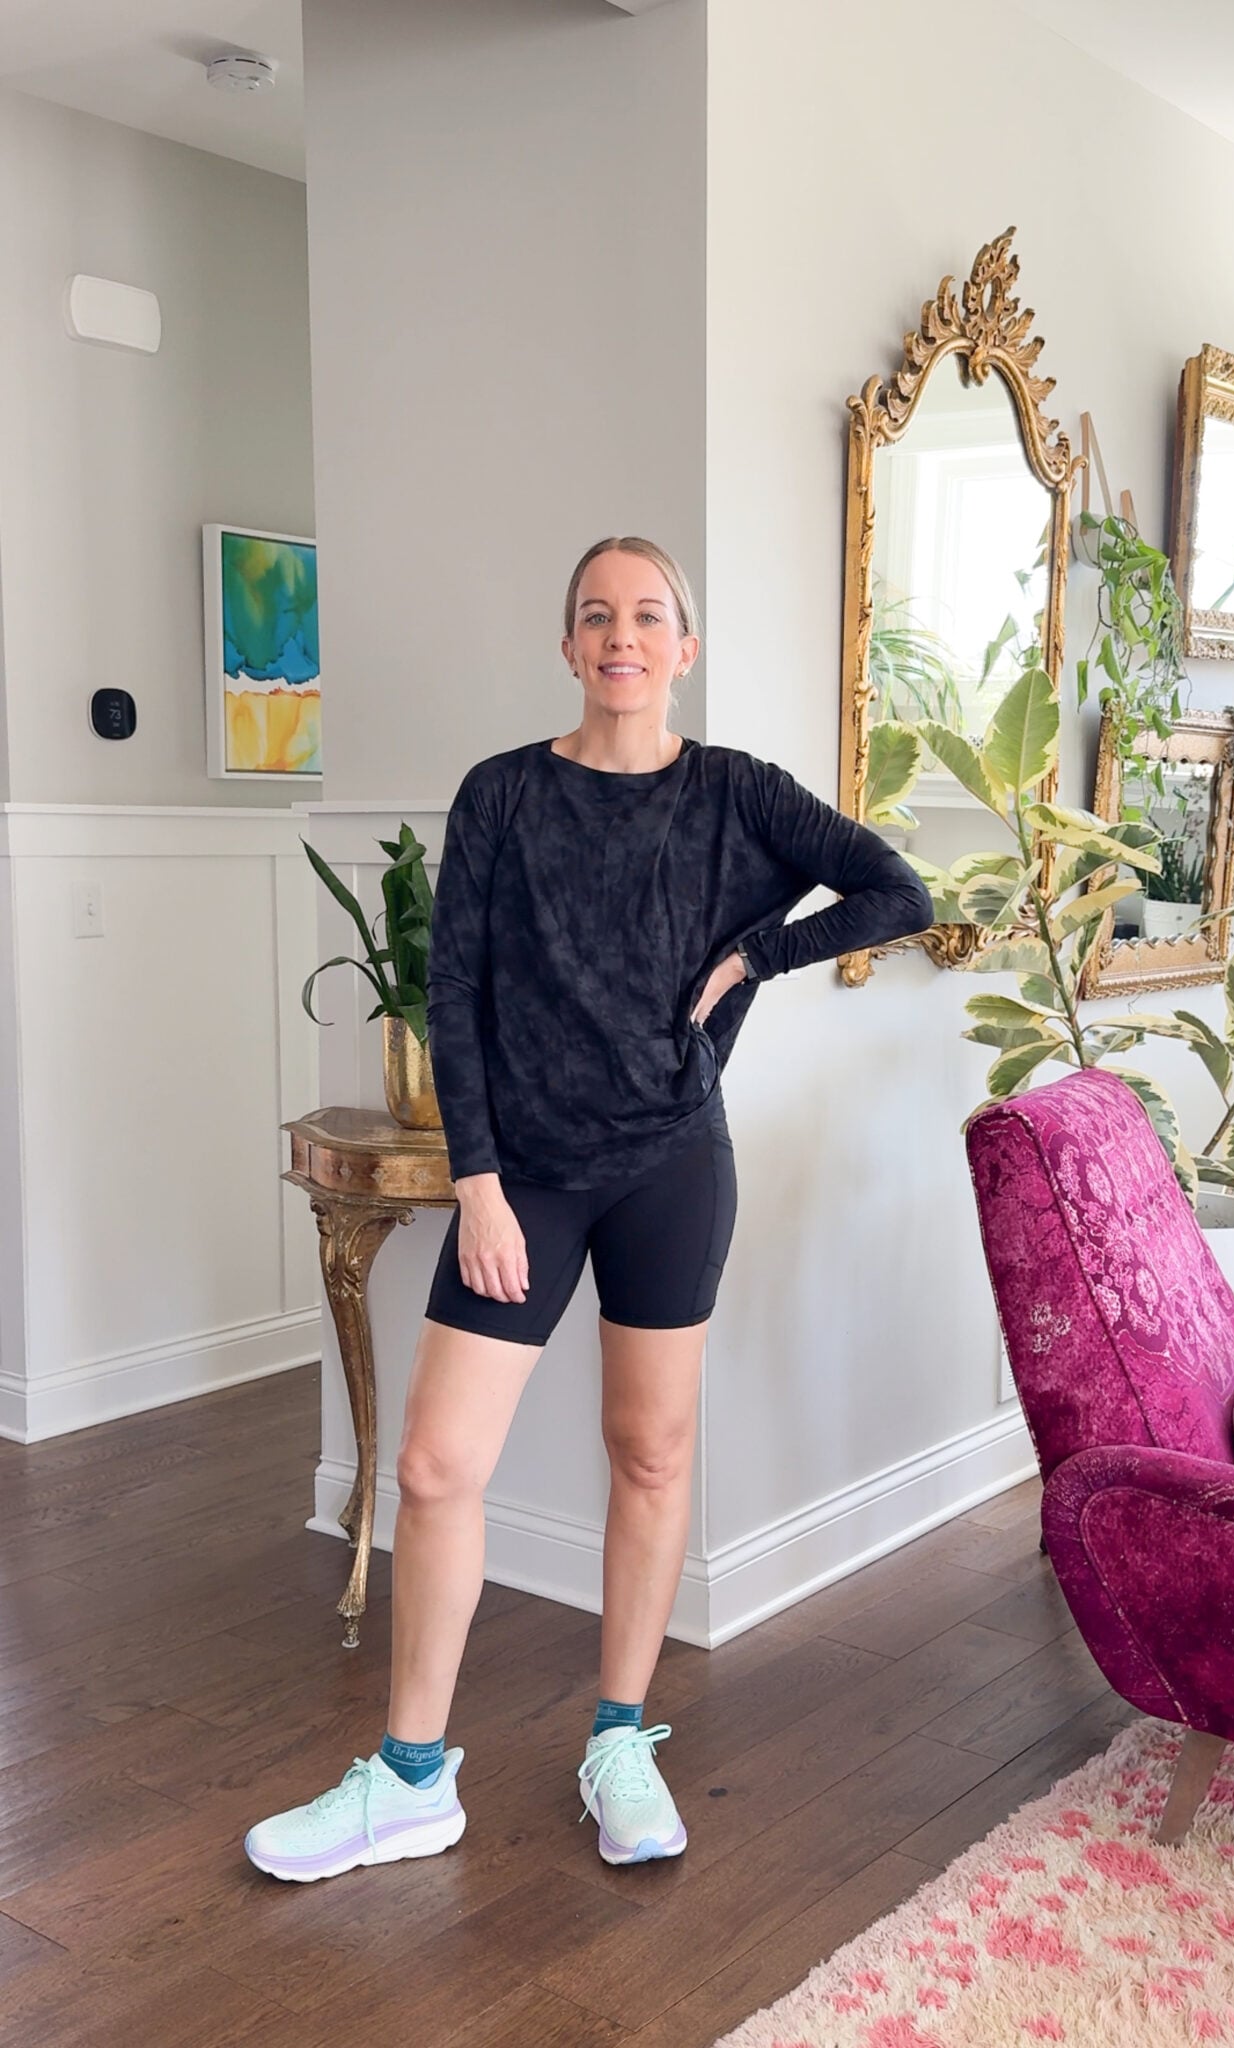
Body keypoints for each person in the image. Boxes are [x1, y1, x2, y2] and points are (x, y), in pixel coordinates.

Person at [244, 535, 933, 1882]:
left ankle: (619, 1739)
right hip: (528, 1180)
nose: (621, 636)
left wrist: (754, 954)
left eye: (647, 616)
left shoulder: (737, 796)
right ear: (568, 647)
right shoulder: (502, 796)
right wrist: (482, 1189)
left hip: (672, 1167)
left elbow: (895, 891)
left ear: (684, 646)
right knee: (439, 1465)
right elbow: (456, 1000)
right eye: (594, 616)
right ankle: (407, 1780)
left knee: (652, 1453)